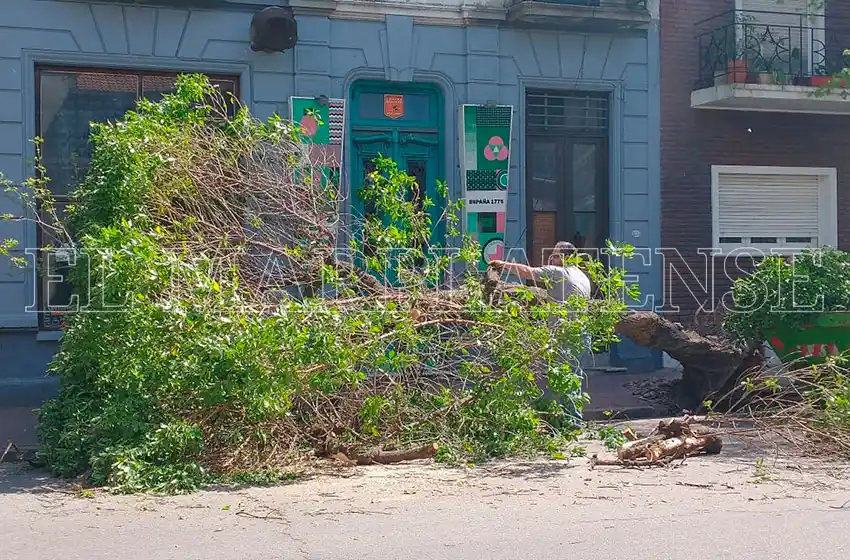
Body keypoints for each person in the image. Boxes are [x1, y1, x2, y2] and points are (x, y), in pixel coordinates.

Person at [489, 241, 592, 425]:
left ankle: (571, 423)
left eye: (554, 255)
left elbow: (528, 272)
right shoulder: (582, 275)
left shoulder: (559, 272)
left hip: (565, 334)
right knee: (572, 378)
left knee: (563, 379)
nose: (551, 258)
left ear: (564, 257)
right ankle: (565, 421)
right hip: (582, 334)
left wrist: (502, 264)